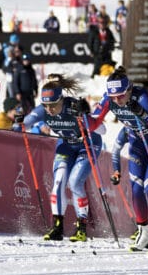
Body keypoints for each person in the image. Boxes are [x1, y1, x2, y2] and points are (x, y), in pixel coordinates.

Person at [86, 66, 148, 253]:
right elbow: (94, 123)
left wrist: (142, 114)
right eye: (113, 97)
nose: (117, 101)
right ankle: (143, 234)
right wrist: (82, 115)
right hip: (137, 146)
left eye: (121, 96)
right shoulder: (109, 99)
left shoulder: (142, 96)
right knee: (136, 190)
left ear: (129, 90)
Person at [33, 75, 103, 243]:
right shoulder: (44, 110)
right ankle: (57, 228)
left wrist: (86, 117)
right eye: (46, 105)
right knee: (58, 183)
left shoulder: (72, 106)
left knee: (75, 182)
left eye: (53, 105)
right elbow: (27, 121)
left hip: (87, 145)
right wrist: (18, 123)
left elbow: (103, 130)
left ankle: (81, 227)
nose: (49, 109)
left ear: (61, 101)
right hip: (66, 146)